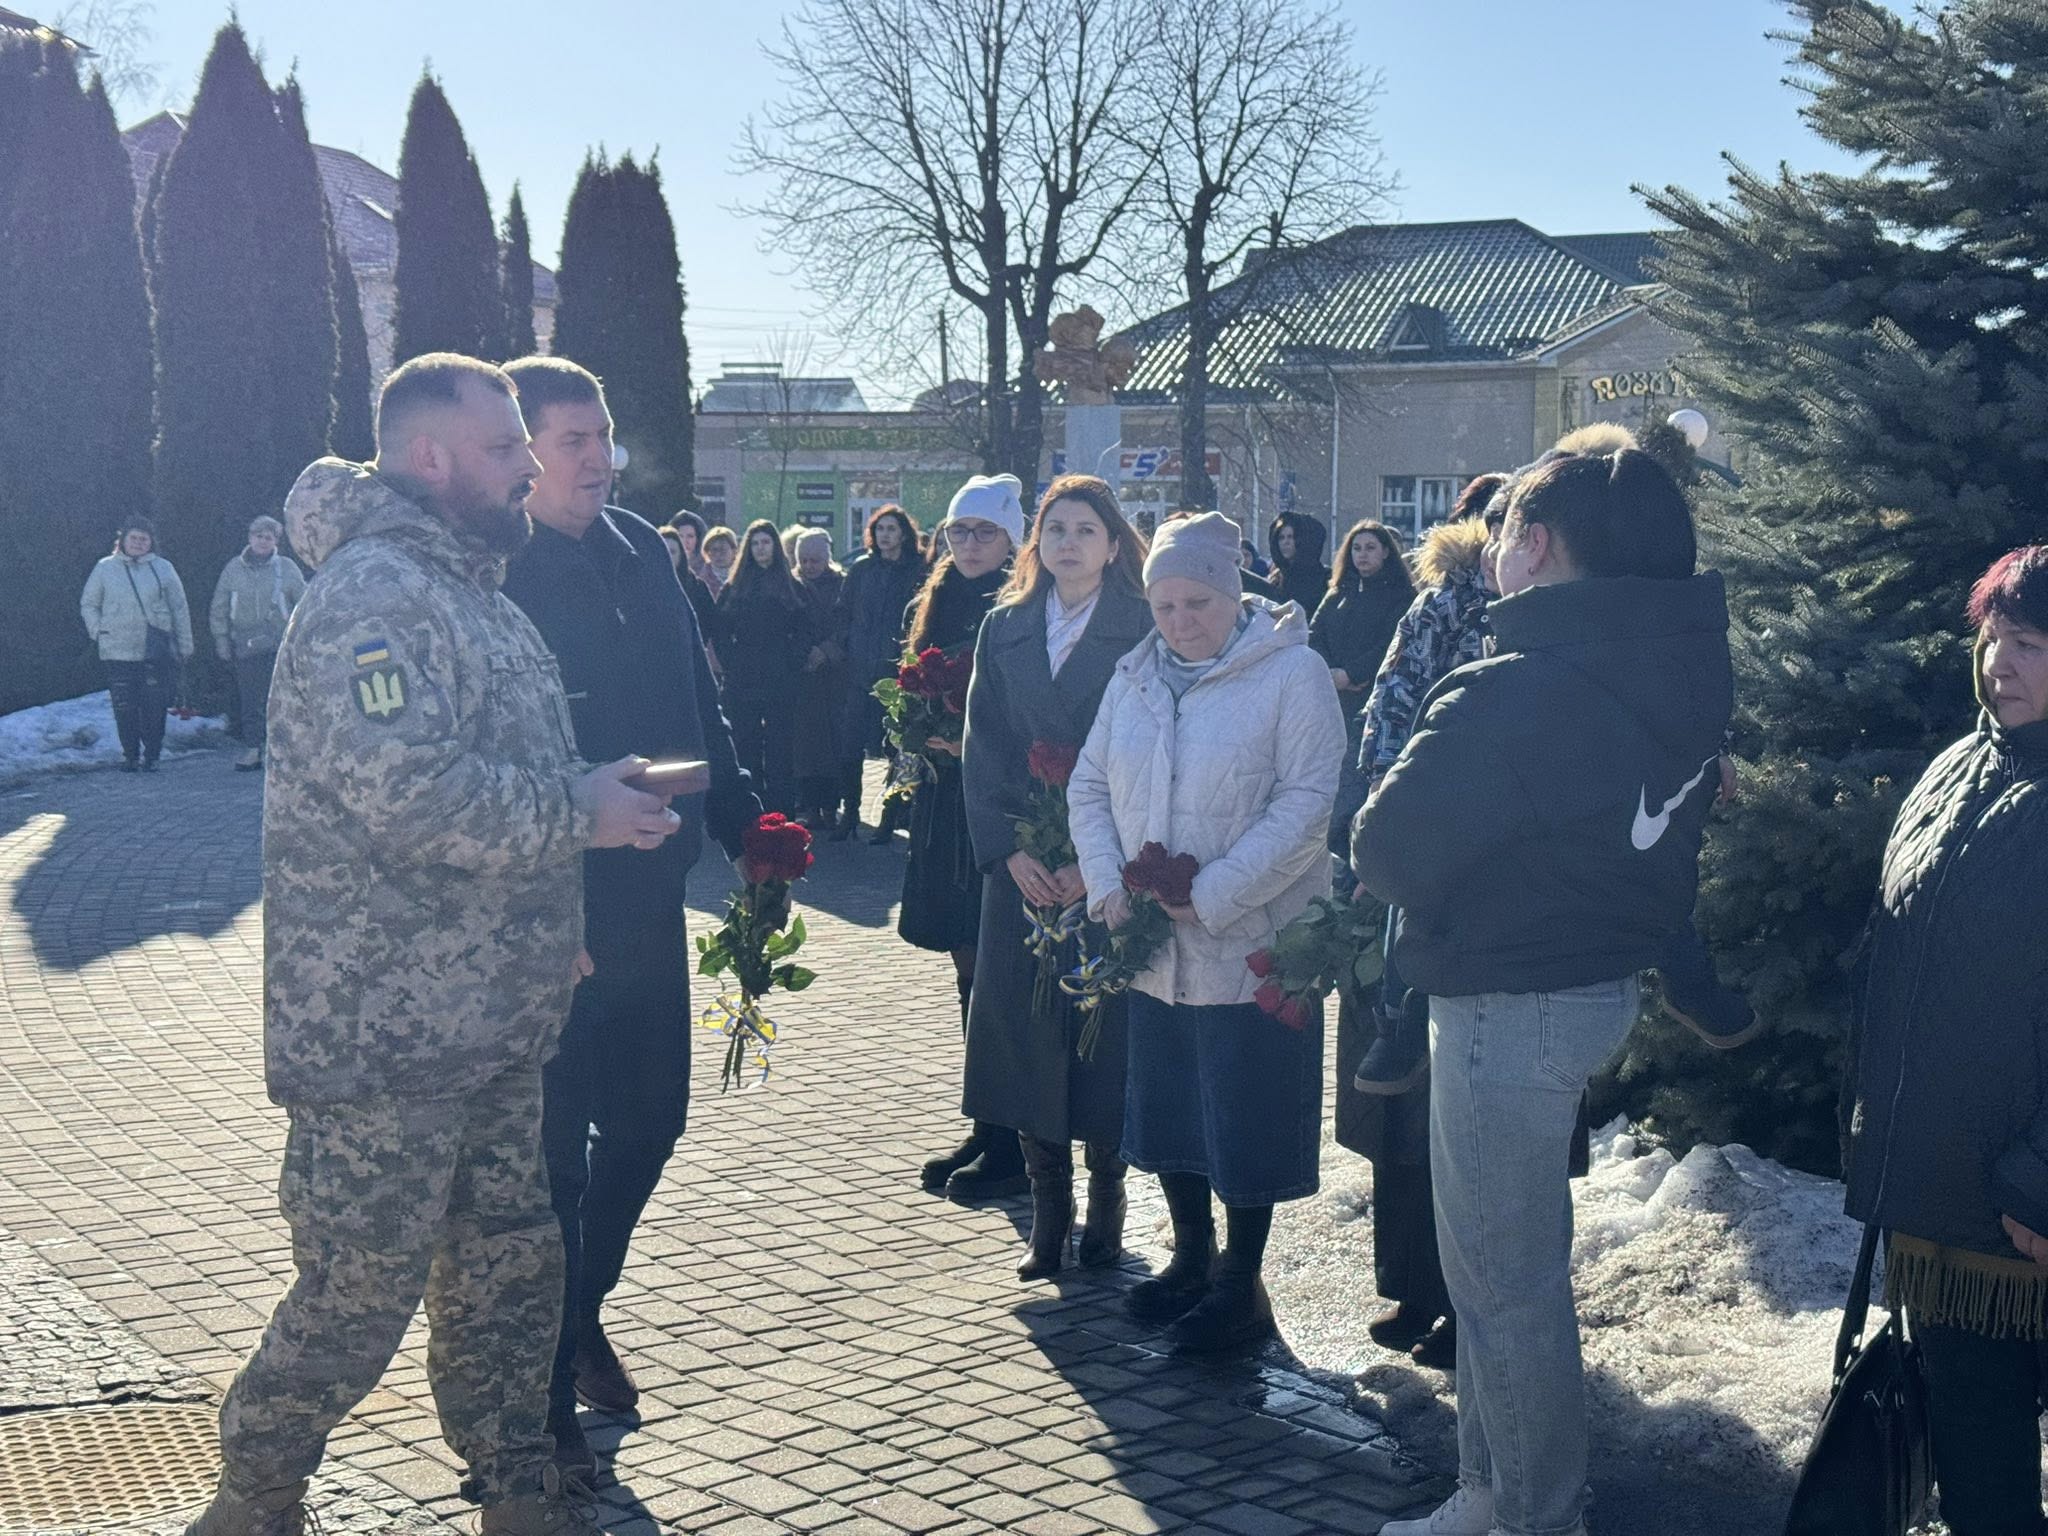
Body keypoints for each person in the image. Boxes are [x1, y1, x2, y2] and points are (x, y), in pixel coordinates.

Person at [184, 352, 684, 1536]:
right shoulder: (373, 597)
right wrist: (581, 814)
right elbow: (410, 798)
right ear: (431, 457)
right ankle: (253, 1500)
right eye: (507, 446)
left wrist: (550, 910)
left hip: (491, 1022)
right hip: (382, 1036)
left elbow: (491, 790)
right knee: (359, 1289)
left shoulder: (473, 595)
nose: (527, 466)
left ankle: (515, 1493)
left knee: (509, 1272)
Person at [1356, 448, 1732, 1536]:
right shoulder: (1676, 668)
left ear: (1536, 546)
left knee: (1504, 1285)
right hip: (1588, 981)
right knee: (1493, 1278)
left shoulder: (1516, 687)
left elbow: (1386, 850)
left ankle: (1533, 1514)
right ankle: (1488, 1490)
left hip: (1504, 1002)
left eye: (1508, 534)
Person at [498, 357, 762, 1482]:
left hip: (653, 890)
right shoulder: (494, 573)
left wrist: (750, 820)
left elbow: (697, 704)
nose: (598, 455)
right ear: (520, 456)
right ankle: (546, 1390)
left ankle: (575, 1315)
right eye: (570, 438)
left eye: (602, 431)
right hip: (551, 903)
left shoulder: (643, 551)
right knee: (556, 1155)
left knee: (652, 1123)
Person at [1068, 511, 1344, 1353]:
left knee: (1245, 1111)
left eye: (1199, 602)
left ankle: (1241, 1284)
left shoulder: (1289, 675)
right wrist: (1114, 885)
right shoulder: (1136, 678)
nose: (1182, 622)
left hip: (1251, 941)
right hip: (1153, 944)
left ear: (1234, 595)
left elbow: (1306, 806)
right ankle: (1191, 1257)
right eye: (1166, 606)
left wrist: (1214, 892)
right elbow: (1087, 785)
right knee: (1174, 1105)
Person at [1839, 545, 2048, 1536]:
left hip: (2024, 1208)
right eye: (1992, 638)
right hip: (1946, 1201)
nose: (1998, 664)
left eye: (2031, 645)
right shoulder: (1960, 764)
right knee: (1976, 1452)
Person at [1334, 474, 1507, 1374]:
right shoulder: (1443, 608)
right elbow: (1390, 708)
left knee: (1470, 1118)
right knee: (1398, 1114)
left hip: (1497, 896)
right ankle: (1410, 1287)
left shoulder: (1556, 618)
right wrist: (1383, 825)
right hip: (1405, 864)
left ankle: (1461, 1305)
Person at [960, 475, 1152, 1278]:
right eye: (1056, 528)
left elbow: (1154, 754)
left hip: (1106, 862)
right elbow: (984, 746)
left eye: (1086, 529)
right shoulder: (1003, 628)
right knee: (1023, 1030)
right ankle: (1049, 1210)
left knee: (1105, 1035)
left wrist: (1096, 860)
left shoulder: (1145, 627)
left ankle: (1108, 1202)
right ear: (1036, 542)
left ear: (1114, 544)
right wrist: (1008, 849)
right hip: (1025, 868)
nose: (1069, 542)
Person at [905, 475, 1024, 1203]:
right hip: (944, 802)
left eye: (983, 532)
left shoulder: (1021, 602)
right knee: (966, 969)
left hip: (994, 800)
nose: (969, 544)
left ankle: (1011, 1139)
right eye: (958, 532)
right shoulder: (939, 596)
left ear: (1012, 537)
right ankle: (985, 1124)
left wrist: (969, 744)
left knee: (1000, 970)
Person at [1312, 519, 1415, 856]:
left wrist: (1354, 673)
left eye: (1371, 547)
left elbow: (1392, 642)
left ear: (1386, 551)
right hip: (1332, 700)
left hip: (1372, 700)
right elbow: (1315, 634)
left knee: (1356, 785)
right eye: (1356, 548)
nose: (1362, 555)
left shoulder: (1401, 596)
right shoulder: (1337, 593)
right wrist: (1329, 670)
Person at [836, 505, 926, 843]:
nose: (884, 535)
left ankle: (889, 817)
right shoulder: (861, 570)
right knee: (850, 748)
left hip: (897, 675)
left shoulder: (917, 570)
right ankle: (851, 815)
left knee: (896, 750)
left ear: (904, 533)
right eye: (879, 529)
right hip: (859, 673)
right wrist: (844, 650)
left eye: (891, 528)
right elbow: (843, 613)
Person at [79, 515, 194, 773]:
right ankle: (130, 755)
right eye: (134, 538)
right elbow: (89, 603)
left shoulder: (163, 568)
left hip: (153, 651)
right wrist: (98, 631)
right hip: (117, 650)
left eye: (144, 539)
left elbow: (179, 608)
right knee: (125, 707)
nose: (139, 543)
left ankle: (152, 753)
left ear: (151, 543)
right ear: (123, 540)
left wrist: (185, 643)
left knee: (154, 706)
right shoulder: (104, 568)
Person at [715, 520, 814, 815]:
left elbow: (806, 628)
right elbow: (720, 630)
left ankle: (781, 811)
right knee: (745, 746)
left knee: (780, 748)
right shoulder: (735, 586)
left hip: (780, 676)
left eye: (766, 542)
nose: (761, 549)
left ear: (775, 546)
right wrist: (731, 661)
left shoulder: (790, 585)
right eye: (756, 543)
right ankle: (750, 810)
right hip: (743, 677)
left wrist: (793, 660)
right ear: (749, 548)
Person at [208, 516, 308, 771]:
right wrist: (221, 638)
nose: (263, 541)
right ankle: (253, 749)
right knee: (251, 701)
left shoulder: (287, 568)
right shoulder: (233, 568)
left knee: (283, 700)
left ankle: (283, 751)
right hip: (246, 644)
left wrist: (302, 639)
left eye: (269, 537)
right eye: (259, 536)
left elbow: (304, 603)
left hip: (281, 645)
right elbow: (219, 605)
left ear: (276, 541)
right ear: (250, 537)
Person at [792, 528, 850, 828]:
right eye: (803, 560)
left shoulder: (842, 586)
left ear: (826, 559)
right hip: (802, 678)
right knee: (804, 747)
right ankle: (809, 805)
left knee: (834, 743)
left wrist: (826, 651)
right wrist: (804, 652)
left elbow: (849, 623)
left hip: (833, 678)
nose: (809, 566)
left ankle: (831, 804)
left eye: (815, 559)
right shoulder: (790, 585)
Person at [659, 512, 720, 655]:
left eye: (672, 552)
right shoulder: (645, 586)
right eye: (664, 551)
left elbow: (710, 621)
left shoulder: (697, 586)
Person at [1265, 509, 1329, 613]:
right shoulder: (1276, 579)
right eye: (1281, 538)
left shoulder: (1324, 579)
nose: (1286, 542)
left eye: (1291, 537)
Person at [700, 524, 739, 597]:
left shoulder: (743, 576)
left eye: (723, 550)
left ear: (734, 551)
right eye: (714, 550)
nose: (718, 554)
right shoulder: (701, 582)